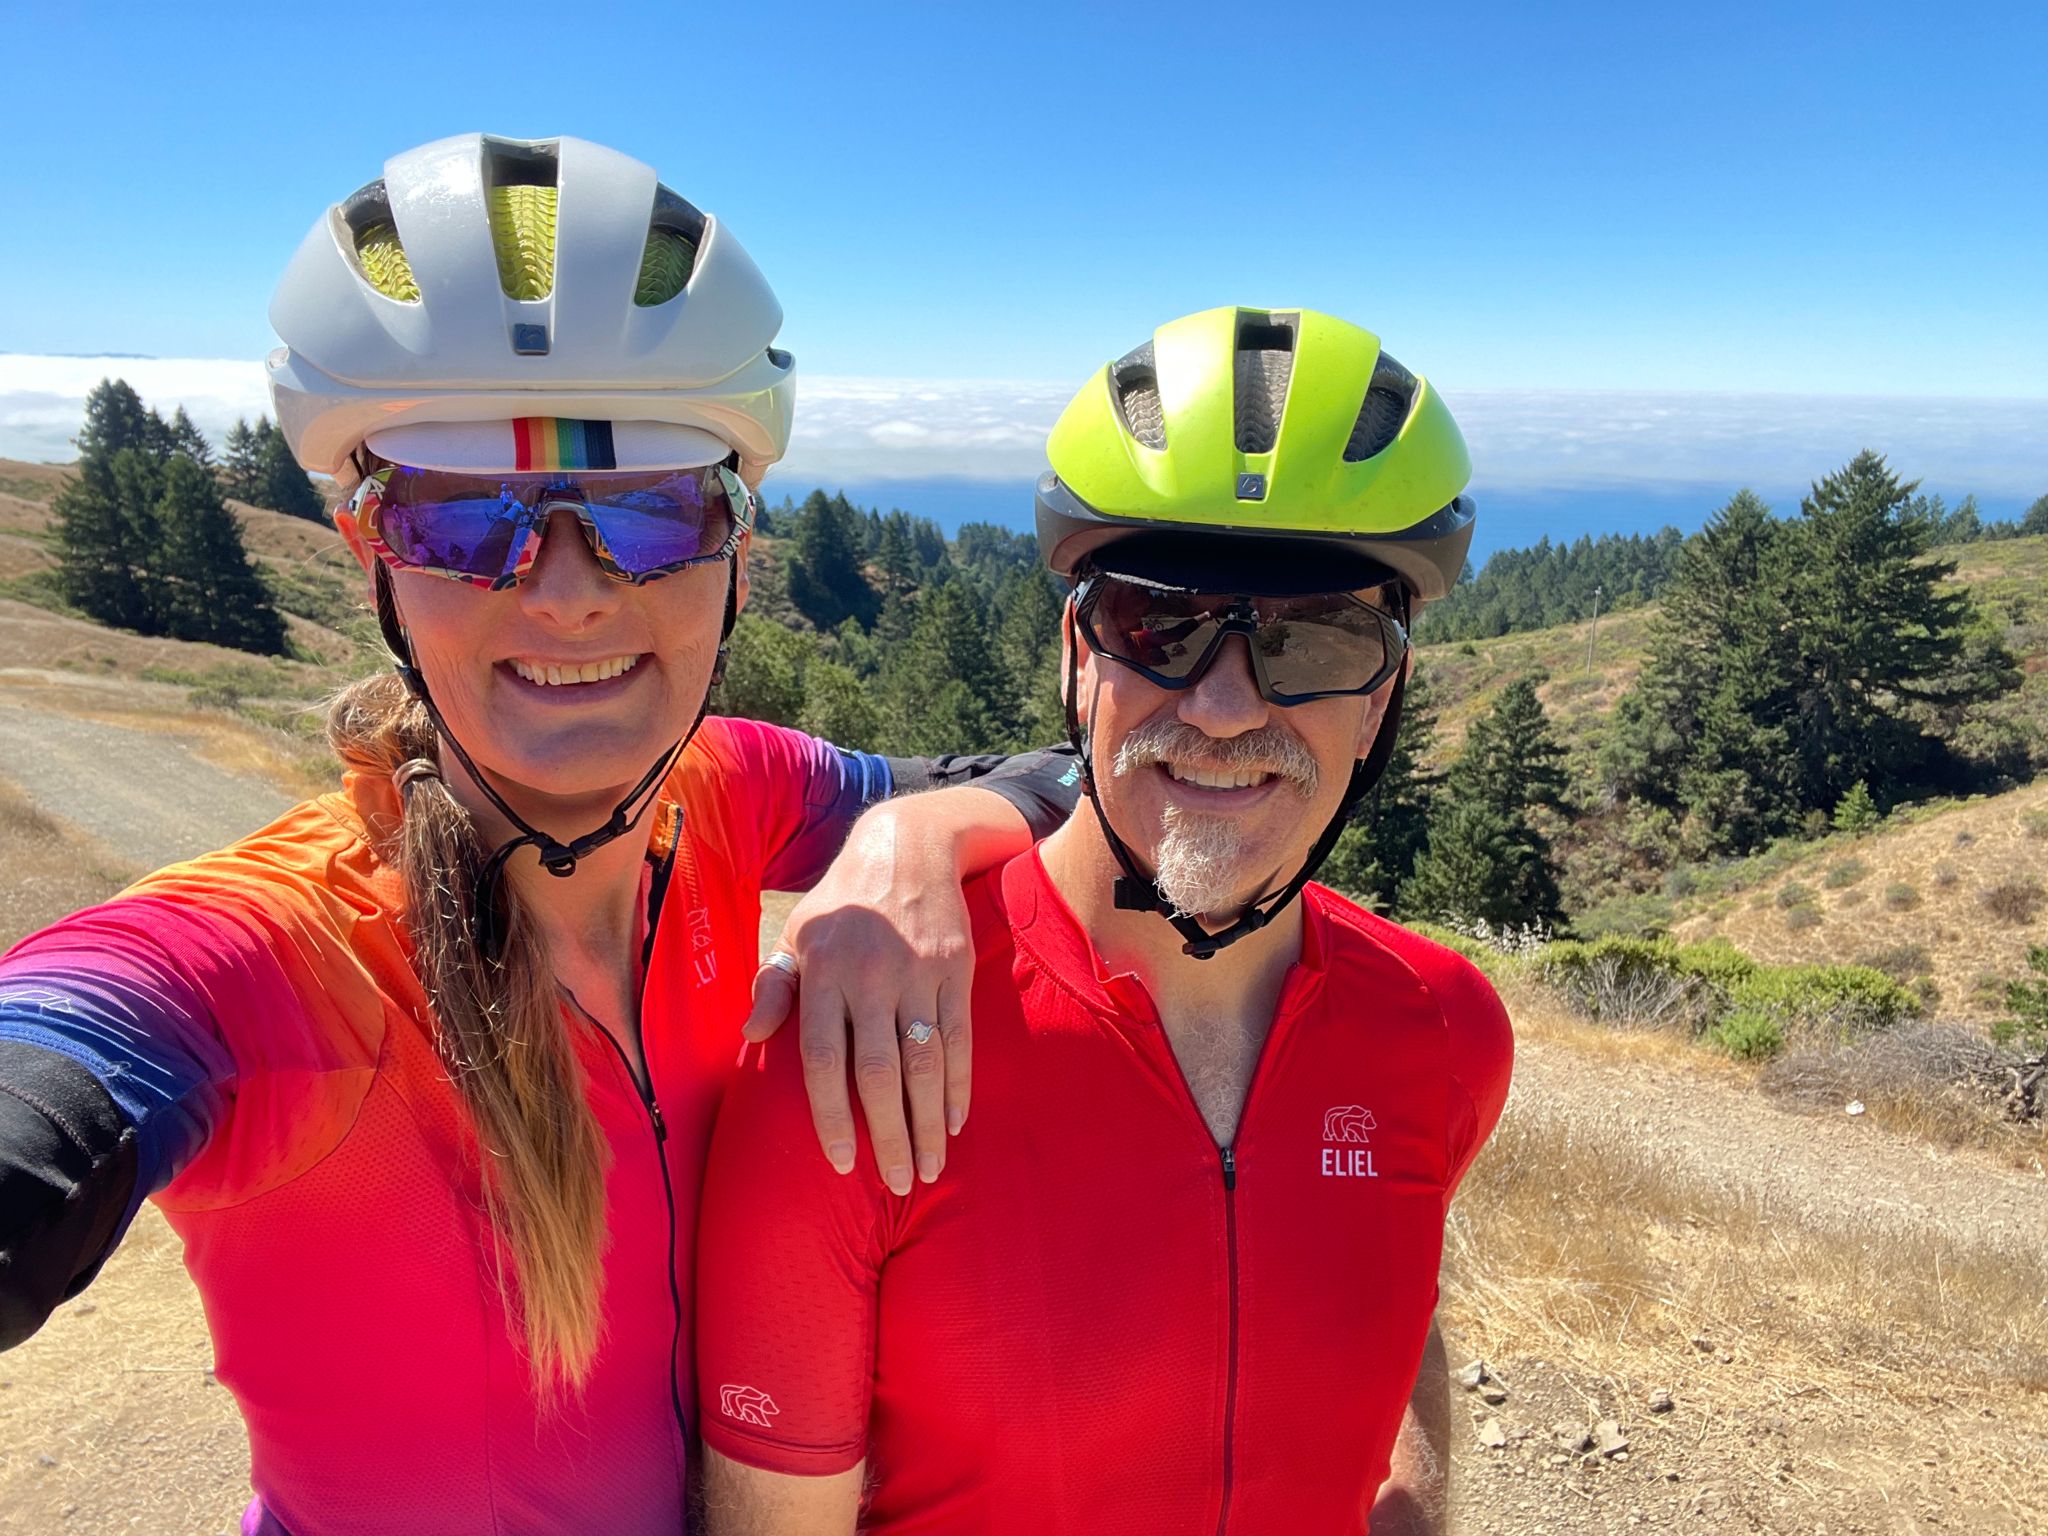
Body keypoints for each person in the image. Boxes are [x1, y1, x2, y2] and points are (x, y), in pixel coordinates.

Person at [0, 134, 1076, 1535]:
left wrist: (915, 843)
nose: (564, 594)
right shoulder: (271, 954)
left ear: (740, 551)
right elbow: (69, 1053)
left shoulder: (733, 789)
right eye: (461, 524)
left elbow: (1053, 773)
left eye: (645, 513)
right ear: (371, 554)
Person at [695, 306, 1514, 1534]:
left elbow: (1404, 1296)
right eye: (1161, 627)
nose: (1229, 706)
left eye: (1311, 637)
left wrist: (1416, 1511)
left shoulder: (1441, 1027)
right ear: (1079, 656)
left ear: (1383, 691)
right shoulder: (851, 1056)